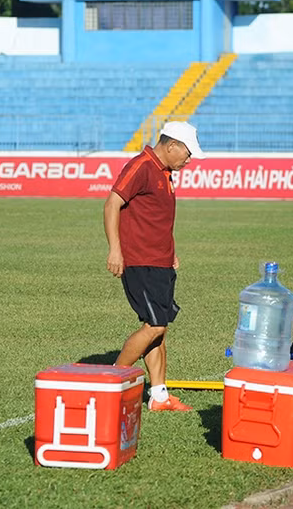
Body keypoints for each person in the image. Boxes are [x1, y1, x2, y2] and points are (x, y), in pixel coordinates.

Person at [103, 121, 205, 411]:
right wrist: (115, 250)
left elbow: (157, 219)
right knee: (155, 326)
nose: (189, 159)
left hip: (160, 263)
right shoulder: (141, 167)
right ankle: (111, 382)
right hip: (140, 262)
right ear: (171, 145)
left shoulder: (165, 173)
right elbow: (112, 204)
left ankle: (159, 395)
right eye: (187, 153)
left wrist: (170, 253)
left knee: (160, 328)